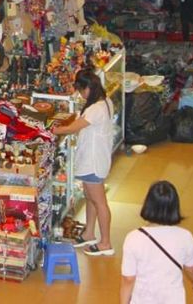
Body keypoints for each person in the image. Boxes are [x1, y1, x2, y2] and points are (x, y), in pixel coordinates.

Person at [52, 68, 115, 256]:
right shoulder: (105, 102)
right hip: (96, 158)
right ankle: (89, 233)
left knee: (99, 202)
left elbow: (73, 128)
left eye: (81, 90)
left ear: (87, 88)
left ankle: (106, 243)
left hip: (92, 161)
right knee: (90, 197)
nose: (80, 94)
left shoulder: (96, 109)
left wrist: (53, 130)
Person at [121, 181, 193, 303]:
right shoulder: (185, 236)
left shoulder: (133, 238)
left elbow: (128, 279)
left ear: (148, 204)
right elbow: (191, 269)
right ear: (175, 207)